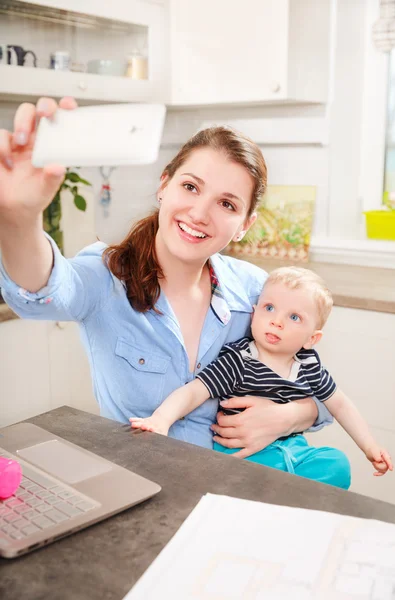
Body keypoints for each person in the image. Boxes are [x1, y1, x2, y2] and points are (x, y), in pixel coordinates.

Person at [0, 97, 348, 487]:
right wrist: (18, 220)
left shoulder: (256, 291)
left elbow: (316, 385)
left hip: (239, 489)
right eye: (190, 186)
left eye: (226, 203)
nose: (200, 213)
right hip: (143, 491)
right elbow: (40, 291)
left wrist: (290, 416)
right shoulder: (107, 274)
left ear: (244, 225)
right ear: (163, 185)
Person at [131, 266, 393, 482]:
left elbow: (340, 404)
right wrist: (161, 420)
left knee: (336, 463)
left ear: (312, 338)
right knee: (252, 478)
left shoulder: (308, 364)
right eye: (269, 308)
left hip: (293, 451)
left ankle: (287, 505)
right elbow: (194, 391)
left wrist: (369, 447)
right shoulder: (239, 359)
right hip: (246, 455)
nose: (277, 321)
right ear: (254, 314)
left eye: (294, 317)